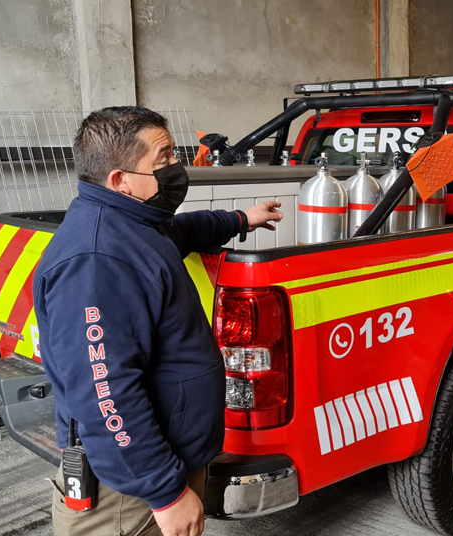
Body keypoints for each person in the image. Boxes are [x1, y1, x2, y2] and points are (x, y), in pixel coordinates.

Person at [34, 106, 282, 536]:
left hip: (159, 465)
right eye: (163, 159)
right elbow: (106, 393)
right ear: (120, 179)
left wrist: (240, 220)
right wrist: (164, 492)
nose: (176, 168)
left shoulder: (133, 223)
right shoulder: (97, 261)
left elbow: (181, 231)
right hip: (128, 494)